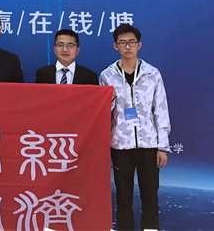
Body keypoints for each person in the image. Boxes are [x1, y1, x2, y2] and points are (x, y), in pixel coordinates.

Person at [99, 24, 170, 231]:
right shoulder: (107, 76)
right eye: (123, 43)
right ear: (115, 46)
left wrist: (162, 146)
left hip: (149, 145)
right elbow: (102, 114)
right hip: (120, 145)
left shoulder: (152, 73)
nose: (127, 46)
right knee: (123, 198)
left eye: (131, 42)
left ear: (139, 45)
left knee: (150, 197)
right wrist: (110, 100)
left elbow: (161, 110)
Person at [35, 29, 99, 85]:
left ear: (77, 50)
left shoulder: (89, 76)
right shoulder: (42, 74)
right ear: (54, 49)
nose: (65, 50)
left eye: (70, 45)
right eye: (60, 45)